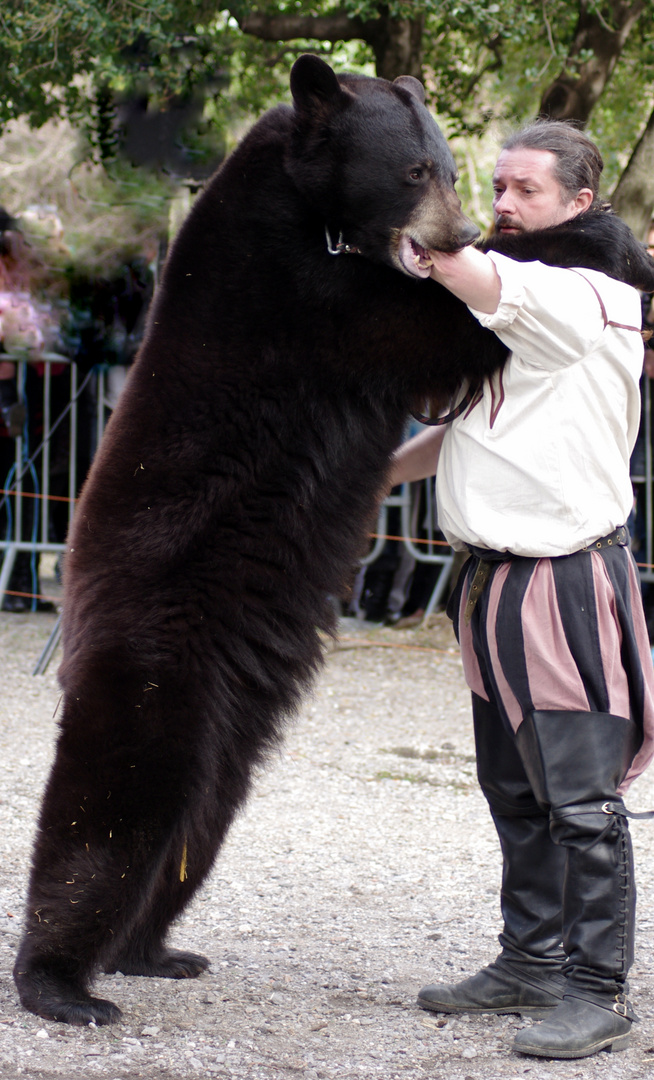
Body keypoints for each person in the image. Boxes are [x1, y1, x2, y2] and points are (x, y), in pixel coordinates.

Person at [389, 120, 654, 1060]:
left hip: (564, 580)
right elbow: (470, 428)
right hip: (492, 580)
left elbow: (482, 274)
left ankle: (596, 988)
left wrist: (419, 229)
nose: (502, 206)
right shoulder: (521, 307)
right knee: (513, 788)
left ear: (580, 203)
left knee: (579, 801)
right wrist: (370, 480)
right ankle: (531, 960)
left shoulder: (586, 293)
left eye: (524, 191)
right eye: (495, 186)